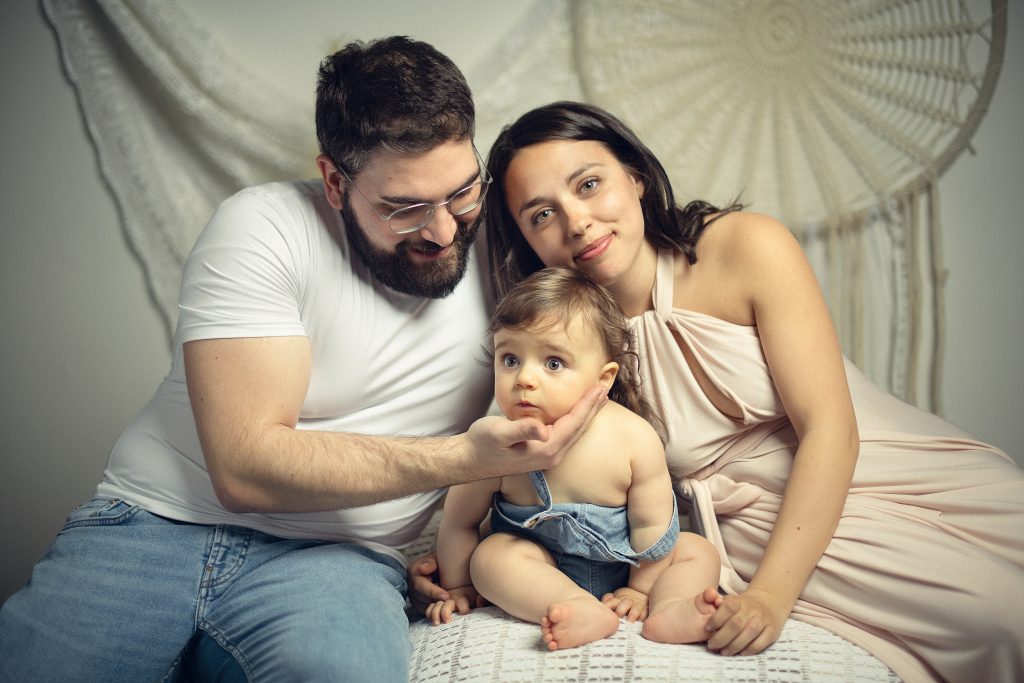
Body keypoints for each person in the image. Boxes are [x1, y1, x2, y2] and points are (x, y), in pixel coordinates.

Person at [0, 41, 606, 682]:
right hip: (153, 526)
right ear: (336, 181)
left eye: (461, 193)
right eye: (404, 208)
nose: (444, 231)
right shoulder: (263, 226)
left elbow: (629, 258)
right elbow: (245, 469)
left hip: (339, 560)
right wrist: (464, 459)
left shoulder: (507, 246)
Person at [460, 100, 1023, 683]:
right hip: (745, 528)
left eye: (589, 184)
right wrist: (456, 555)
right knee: (993, 620)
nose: (575, 221)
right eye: (541, 215)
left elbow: (830, 427)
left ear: (635, 177)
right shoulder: (559, 351)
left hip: (862, 466)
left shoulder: (745, 247)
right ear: (527, 242)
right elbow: (530, 474)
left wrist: (771, 597)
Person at [425, 268, 722, 650]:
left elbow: (653, 527)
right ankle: (573, 605)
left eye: (552, 363)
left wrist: (641, 590)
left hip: (630, 568)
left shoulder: (632, 437)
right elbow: (458, 523)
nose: (524, 379)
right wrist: (459, 585)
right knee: (490, 558)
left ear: (603, 379)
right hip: (539, 569)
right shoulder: (492, 443)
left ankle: (673, 608)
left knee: (697, 550)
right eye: (511, 359)